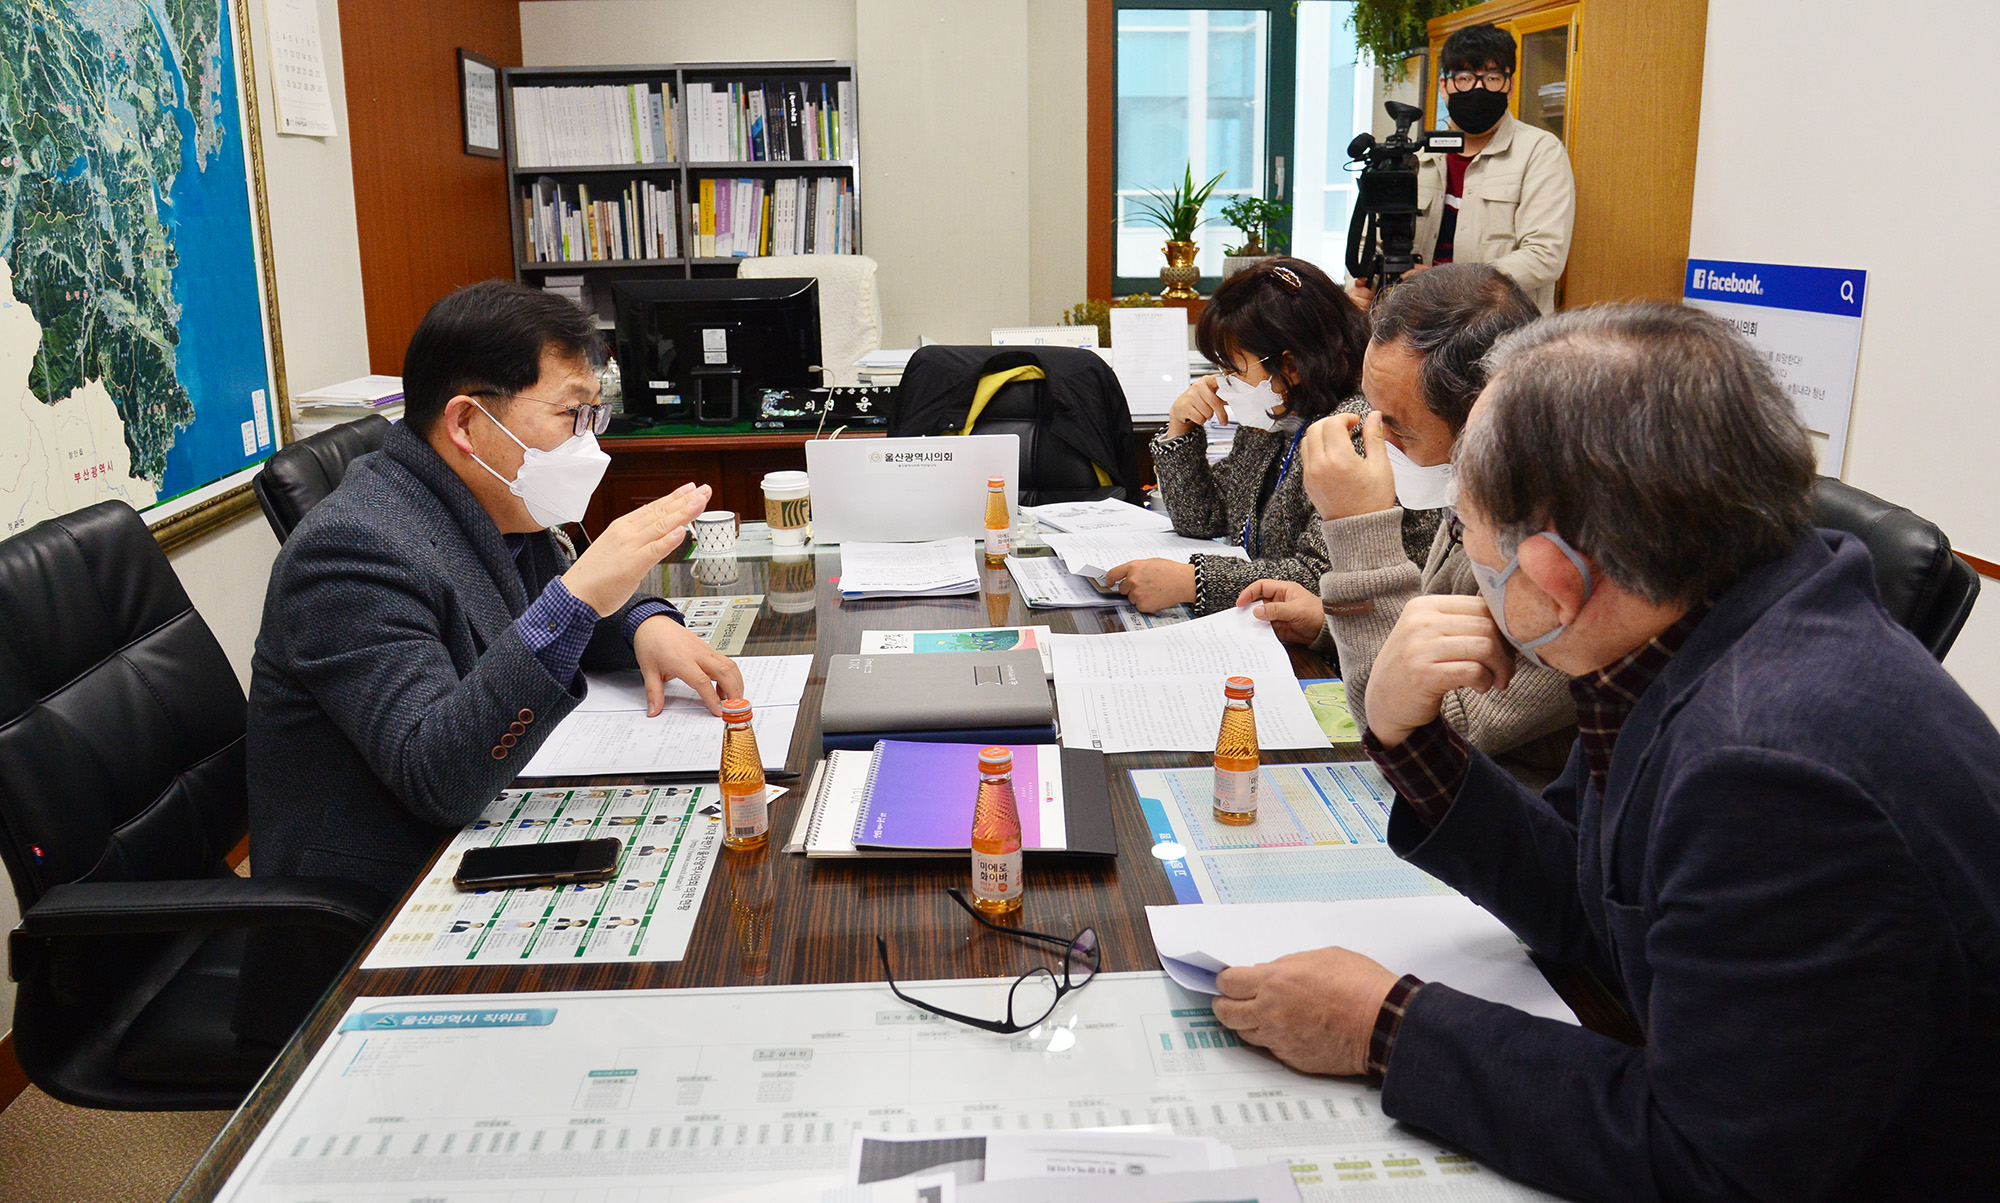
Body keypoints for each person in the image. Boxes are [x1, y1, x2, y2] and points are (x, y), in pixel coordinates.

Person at [1210, 303, 2000, 1198]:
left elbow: (1705, 1160)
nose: (1461, 547)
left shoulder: (1766, 770)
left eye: (1465, 526)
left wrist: (1383, 1027)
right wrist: (1408, 737)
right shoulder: (1695, 623)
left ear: (1551, 578)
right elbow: (1590, 900)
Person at [248, 281, 744, 901]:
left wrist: (645, 623)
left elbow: (555, 595)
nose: (589, 443)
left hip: (486, 834)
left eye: (595, 416)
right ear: (465, 423)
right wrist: (580, 596)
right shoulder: (350, 549)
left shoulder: (496, 502)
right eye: (571, 415)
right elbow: (437, 773)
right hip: (375, 901)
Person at [1238, 264, 1573, 762]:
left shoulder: (1563, 539)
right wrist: (1327, 625)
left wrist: (1357, 531)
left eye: (1397, 426)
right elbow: (1428, 646)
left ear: (1483, 417)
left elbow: (1422, 732)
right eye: (1372, 412)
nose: (1375, 438)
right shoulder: (1468, 488)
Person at [1109, 258, 1413, 615]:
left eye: (1234, 369)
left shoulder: (1352, 432)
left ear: (1291, 366)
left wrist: (1194, 581)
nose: (1223, 382)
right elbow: (1204, 517)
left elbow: (1323, 578)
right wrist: (1181, 428)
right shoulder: (1277, 417)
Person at [1350, 24, 1574, 315]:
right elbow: (1369, 244)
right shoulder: (1412, 156)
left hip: (1501, 331)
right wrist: (1358, 289)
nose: (1479, 89)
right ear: (1444, 85)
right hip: (1418, 326)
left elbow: (1544, 257)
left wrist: (1446, 283)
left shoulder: (1540, 151)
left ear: (1510, 85)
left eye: (1493, 78)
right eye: (1465, 78)